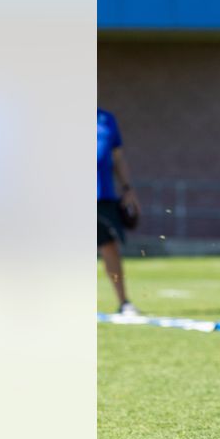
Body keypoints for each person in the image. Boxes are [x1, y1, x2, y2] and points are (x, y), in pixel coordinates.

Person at [97, 107, 140, 316]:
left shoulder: (106, 119)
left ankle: (124, 302)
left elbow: (118, 157)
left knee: (110, 246)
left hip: (102, 193)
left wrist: (127, 188)